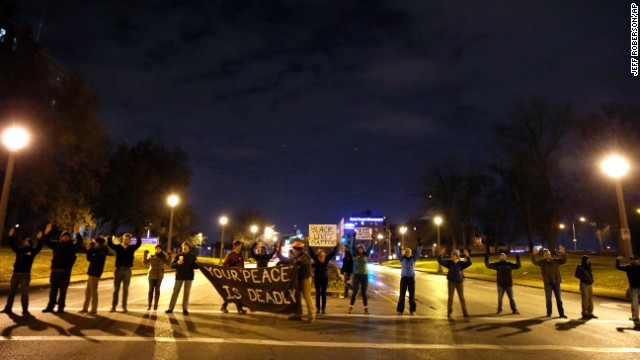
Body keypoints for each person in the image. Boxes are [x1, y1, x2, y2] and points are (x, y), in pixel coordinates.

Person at [1, 225, 47, 316]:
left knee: (24, 293)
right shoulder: (19, 250)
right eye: (25, 241)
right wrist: (10, 236)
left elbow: (39, 247)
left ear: (30, 243)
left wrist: (40, 239)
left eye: (28, 241)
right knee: (11, 292)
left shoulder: (32, 251)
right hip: (16, 274)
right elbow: (12, 245)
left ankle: (25, 310)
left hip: (25, 275)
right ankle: (8, 308)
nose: (26, 242)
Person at [43, 225, 83, 313]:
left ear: (69, 238)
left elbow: (79, 242)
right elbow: (46, 241)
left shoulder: (72, 246)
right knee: (53, 290)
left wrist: (77, 232)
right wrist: (46, 232)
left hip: (65, 272)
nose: (65, 237)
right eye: (63, 236)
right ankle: (50, 306)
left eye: (67, 236)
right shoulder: (56, 244)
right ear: (61, 237)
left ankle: (61, 307)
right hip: (55, 271)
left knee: (63, 291)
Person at [107, 231, 142, 312]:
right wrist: (111, 235)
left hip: (127, 270)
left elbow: (138, 244)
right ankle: (114, 306)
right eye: (124, 239)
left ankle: (124, 306)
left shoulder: (131, 248)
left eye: (127, 239)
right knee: (116, 289)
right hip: (118, 270)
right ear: (122, 239)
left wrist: (138, 235)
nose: (126, 240)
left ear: (129, 240)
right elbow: (110, 244)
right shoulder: (118, 247)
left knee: (125, 290)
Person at [531, 246, 567, 318]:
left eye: (548, 254)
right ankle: (549, 313)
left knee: (559, 299)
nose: (547, 255)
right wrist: (534, 255)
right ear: (544, 256)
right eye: (546, 254)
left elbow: (564, 260)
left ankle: (561, 314)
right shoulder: (542, 262)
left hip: (556, 282)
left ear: (550, 254)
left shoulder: (556, 261)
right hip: (548, 283)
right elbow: (535, 262)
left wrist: (564, 254)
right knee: (548, 299)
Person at [79, 236, 109, 315]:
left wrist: (89, 250)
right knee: (88, 291)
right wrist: (90, 250)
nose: (93, 243)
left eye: (95, 242)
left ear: (98, 243)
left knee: (93, 291)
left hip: (95, 272)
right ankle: (85, 309)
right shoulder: (98, 250)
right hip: (92, 272)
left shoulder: (101, 251)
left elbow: (91, 259)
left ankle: (93, 310)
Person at [438, 249, 472, 318]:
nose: (452, 256)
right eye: (451, 255)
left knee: (461, 298)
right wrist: (440, 255)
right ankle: (449, 313)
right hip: (451, 282)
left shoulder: (461, 263)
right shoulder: (449, 263)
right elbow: (440, 261)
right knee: (450, 298)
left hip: (459, 282)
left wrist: (467, 256)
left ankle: (465, 313)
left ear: (456, 256)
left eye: (453, 255)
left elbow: (469, 263)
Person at [166, 242, 198, 315]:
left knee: (186, 293)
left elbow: (196, 267)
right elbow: (172, 266)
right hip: (179, 276)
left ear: (189, 248)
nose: (184, 247)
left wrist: (196, 264)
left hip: (189, 277)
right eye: (183, 246)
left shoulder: (192, 256)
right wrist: (178, 263)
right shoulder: (178, 255)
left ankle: (185, 309)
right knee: (175, 292)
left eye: (186, 246)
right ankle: (170, 308)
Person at [287, 241, 315, 322]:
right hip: (298, 279)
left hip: (305, 278)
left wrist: (297, 266)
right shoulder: (296, 256)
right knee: (297, 297)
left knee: (307, 296)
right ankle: (297, 314)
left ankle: (311, 316)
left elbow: (304, 267)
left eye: (294, 249)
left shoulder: (305, 256)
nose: (293, 250)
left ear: (297, 249)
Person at [394, 240, 422, 315]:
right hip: (404, 278)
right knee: (402, 295)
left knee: (412, 296)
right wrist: (396, 246)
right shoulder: (402, 259)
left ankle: (412, 310)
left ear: (411, 253)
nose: (408, 253)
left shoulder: (413, 259)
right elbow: (397, 253)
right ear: (405, 253)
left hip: (411, 279)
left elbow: (418, 252)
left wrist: (420, 245)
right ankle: (400, 310)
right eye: (406, 252)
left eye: (409, 252)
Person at [309, 245, 339, 314]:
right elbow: (311, 252)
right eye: (320, 252)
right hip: (318, 277)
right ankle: (319, 308)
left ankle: (322, 308)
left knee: (323, 293)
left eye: (322, 252)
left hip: (323, 277)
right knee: (318, 293)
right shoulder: (316, 258)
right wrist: (309, 244)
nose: (321, 253)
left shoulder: (325, 258)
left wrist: (336, 245)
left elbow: (333, 252)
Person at [220, 240, 247, 314]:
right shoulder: (230, 255)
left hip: (238, 277)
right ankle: (224, 306)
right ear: (235, 246)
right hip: (231, 277)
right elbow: (224, 265)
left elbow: (242, 266)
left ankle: (239, 309)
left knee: (238, 293)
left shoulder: (241, 255)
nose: (240, 247)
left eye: (240, 246)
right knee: (231, 293)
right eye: (239, 246)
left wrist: (243, 274)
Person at [348, 241, 374, 315]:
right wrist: (354, 238)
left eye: (361, 249)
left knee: (364, 293)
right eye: (359, 248)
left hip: (364, 275)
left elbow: (370, 248)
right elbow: (352, 247)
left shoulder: (366, 255)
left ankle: (366, 309)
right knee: (355, 291)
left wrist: (372, 240)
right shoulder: (354, 255)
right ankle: (350, 307)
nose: (360, 250)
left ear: (363, 249)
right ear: (357, 249)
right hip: (356, 275)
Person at [143, 244, 172, 310]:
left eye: (159, 248)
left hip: (159, 275)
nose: (158, 249)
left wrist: (170, 256)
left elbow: (169, 264)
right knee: (150, 290)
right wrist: (145, 254)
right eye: (157, 248)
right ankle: (149, 305)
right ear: (155, 249)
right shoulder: (151, 255)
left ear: (161, 249)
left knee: (157, 290)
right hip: (151, 275)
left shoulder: (163, 256)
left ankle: (155, 305)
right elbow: (144, 262)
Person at [616, 255, 640, 324]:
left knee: (635, 303)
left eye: (635, 260)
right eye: (632, 260)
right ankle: (635, 317)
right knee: (634, 303)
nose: (633, 261)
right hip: (633, 287)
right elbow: (618, 267)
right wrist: (618, 260)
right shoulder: (629, 267)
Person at [575, 255, 596, 320]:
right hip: (584, 284)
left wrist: (591, 278)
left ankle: (590, 313)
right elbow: (576, 275)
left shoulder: (589, 266)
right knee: (585, 299)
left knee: (590, 299)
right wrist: (584, 277)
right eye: (587, 259)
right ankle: (584, 313)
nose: (589, 261)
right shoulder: (580, 266)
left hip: (590, 284)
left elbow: (590, 273)